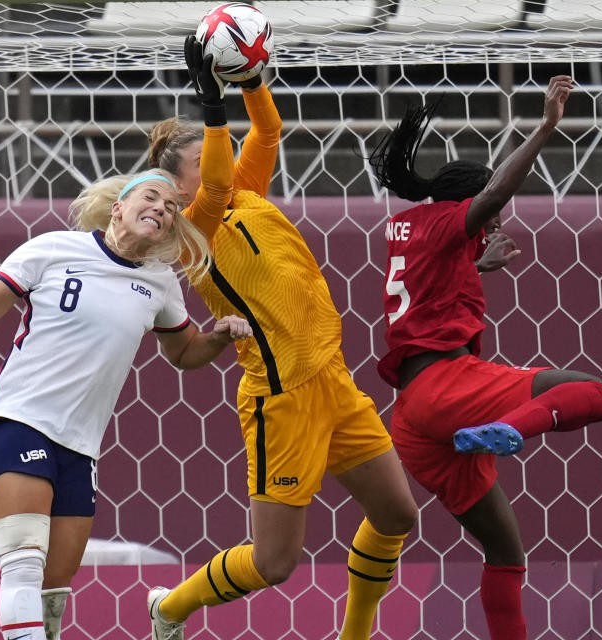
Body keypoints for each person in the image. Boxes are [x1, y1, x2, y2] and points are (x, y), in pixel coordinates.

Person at [143, 38, 418, 640]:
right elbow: (214, 185)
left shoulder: (246, 195)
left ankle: (356, 635)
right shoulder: (194, 232)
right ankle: (170, 608)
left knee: (397, 512)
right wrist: (210, 103)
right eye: (204, 160)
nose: (223, 159)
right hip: (280, 398)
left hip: (331, 380)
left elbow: (267, 132)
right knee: (275, 563)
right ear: (179, 184)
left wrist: (249, 76)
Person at [0, 169, 253, 640]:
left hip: (80, 449)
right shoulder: (53, 248)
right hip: (17, 420)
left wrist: (219, 337)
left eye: (170, 210)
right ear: (118, 206)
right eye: (151, 198)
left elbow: (185, 353)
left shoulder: (160, 283)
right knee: (23, 562)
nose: (162, 212)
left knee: (52, 593)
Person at [367, 76, 602, 640]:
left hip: (414, 420)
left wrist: (477, 267)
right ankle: (507, 428)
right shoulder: (450, 221)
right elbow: (493, 197)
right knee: (595, 394)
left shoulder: (408, 230)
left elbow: (427, 287)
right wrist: (547, 127)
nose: (491, 231)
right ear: (467, 206)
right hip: (448, 388)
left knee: (506, 552)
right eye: (487, 226)